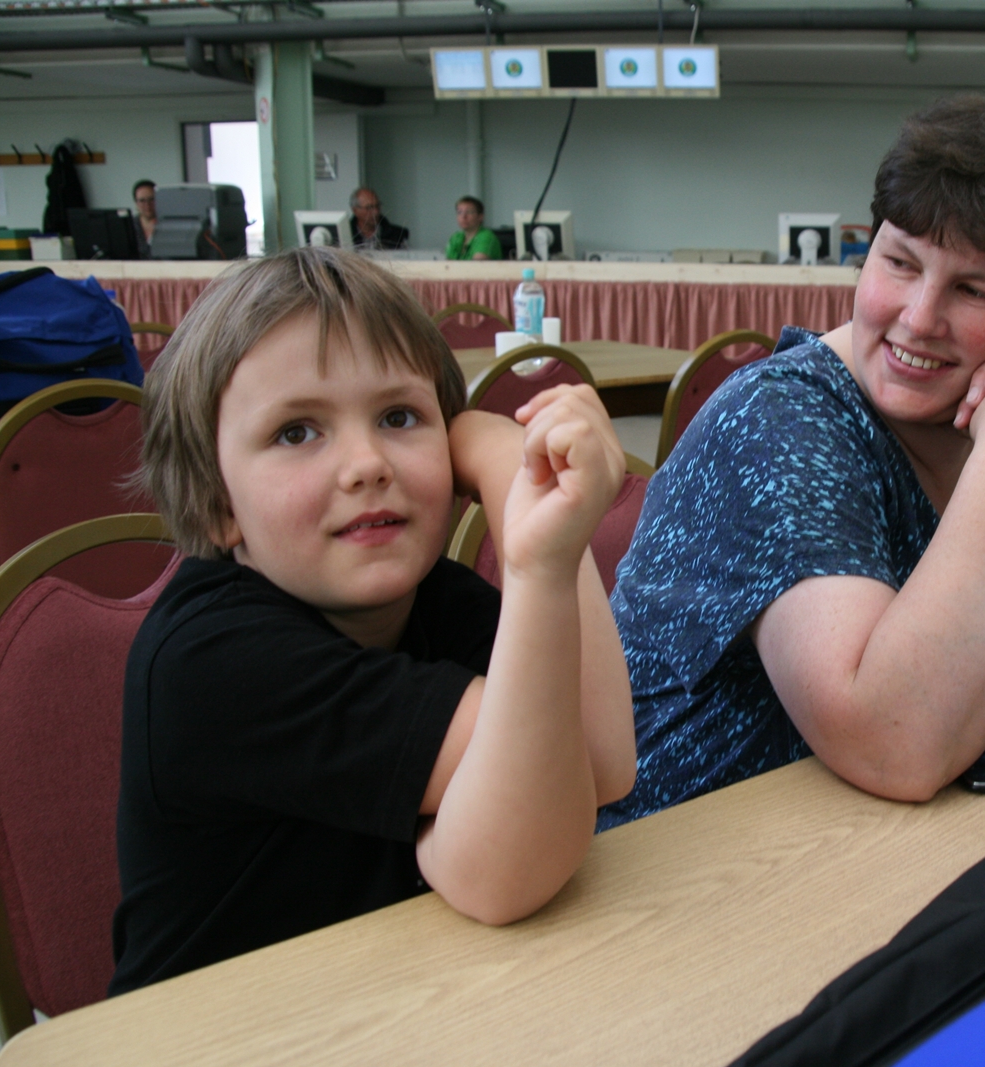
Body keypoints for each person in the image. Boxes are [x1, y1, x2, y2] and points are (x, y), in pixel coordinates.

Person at [600, 86, 985, 829]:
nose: (918, 317)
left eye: (974, 289)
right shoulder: (780, 420)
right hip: (698, 864)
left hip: (915, 845)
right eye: (900, 263)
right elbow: (895, 743)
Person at [111, 246, 635, 994]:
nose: (366, 463)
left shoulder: (436, 600)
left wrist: (532, 511)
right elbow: (513, 869)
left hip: (392, 1002)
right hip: (217, 1034)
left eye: (399, 417)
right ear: (216, 503)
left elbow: (598, 765)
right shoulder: (212, 659)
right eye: (297, 432)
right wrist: (528, 535)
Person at [350, 186, 410, 251]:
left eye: (377, 206)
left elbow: (405, 256)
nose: (375, 212)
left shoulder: (398, 235)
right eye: (369, 208)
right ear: (355, 210)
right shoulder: (346, 234)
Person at [446, 196, 501, 261]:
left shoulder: (486, 237)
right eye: (459, 212)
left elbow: (477, 265)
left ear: (480, 217)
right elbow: (448, 263)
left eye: (469, 212)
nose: (463, 216)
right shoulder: (456, 237)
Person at [132, 179, 157, 258]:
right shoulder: (129, 226)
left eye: (151, 199)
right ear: (136, 203)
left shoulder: (169, 226)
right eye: (142, 201)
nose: (147, 205)